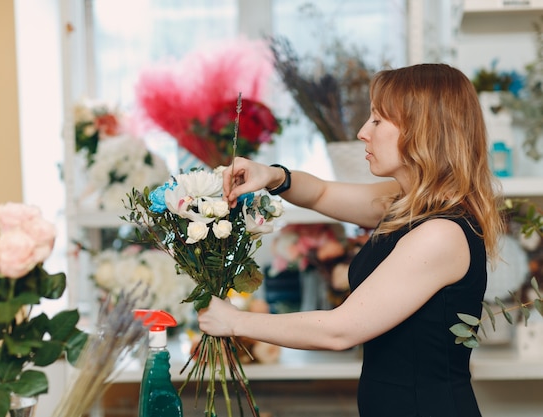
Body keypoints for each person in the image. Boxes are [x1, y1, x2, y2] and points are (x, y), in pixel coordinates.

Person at [197, 63, 505, 417]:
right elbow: (321, 193)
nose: (362, 132)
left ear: (422, 131)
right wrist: (271, 175)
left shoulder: (441, 233)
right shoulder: (405, 205)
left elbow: (339, 331)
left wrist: (235, 322)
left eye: (376, 120)